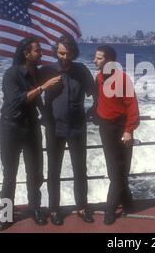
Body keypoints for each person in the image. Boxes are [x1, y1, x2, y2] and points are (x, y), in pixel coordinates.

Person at [0, 37, 61, 231]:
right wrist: (43, 87)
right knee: (10, 174)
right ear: (27, 54)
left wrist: (47, 117)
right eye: (38, 50)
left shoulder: (36, 73)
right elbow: (17, 100)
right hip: (11, 128)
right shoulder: (11, 74)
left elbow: (37, 100)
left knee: (35, 173)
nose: (41, 53)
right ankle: (6, 215)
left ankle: (35, 209)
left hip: (32, 128)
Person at [40, 36, 95, 226]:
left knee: (80, 169)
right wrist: (43, 115)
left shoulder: (81, 71)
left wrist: (92, 111)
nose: (65, 56)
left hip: (78, 127)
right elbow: (35, 92)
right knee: (53, 170)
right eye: (61, 53)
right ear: (56, 51)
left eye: (68, 53)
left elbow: (95, 93)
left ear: (74, 53)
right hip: (54, 128)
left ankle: (82, 206)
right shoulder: (46, 71)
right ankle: (54, 208)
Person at [93, 45, 140, 225]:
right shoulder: (98, 78)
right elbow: (99, 100)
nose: (95, 61)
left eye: (99, 58)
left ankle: (110, 208)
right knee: (115, 169)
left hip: (122, 128)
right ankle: (127, 202)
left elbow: (132, 107)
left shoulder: (122, 79)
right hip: (105, 128)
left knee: (120, 168)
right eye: (95, 57)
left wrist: (129, 130)